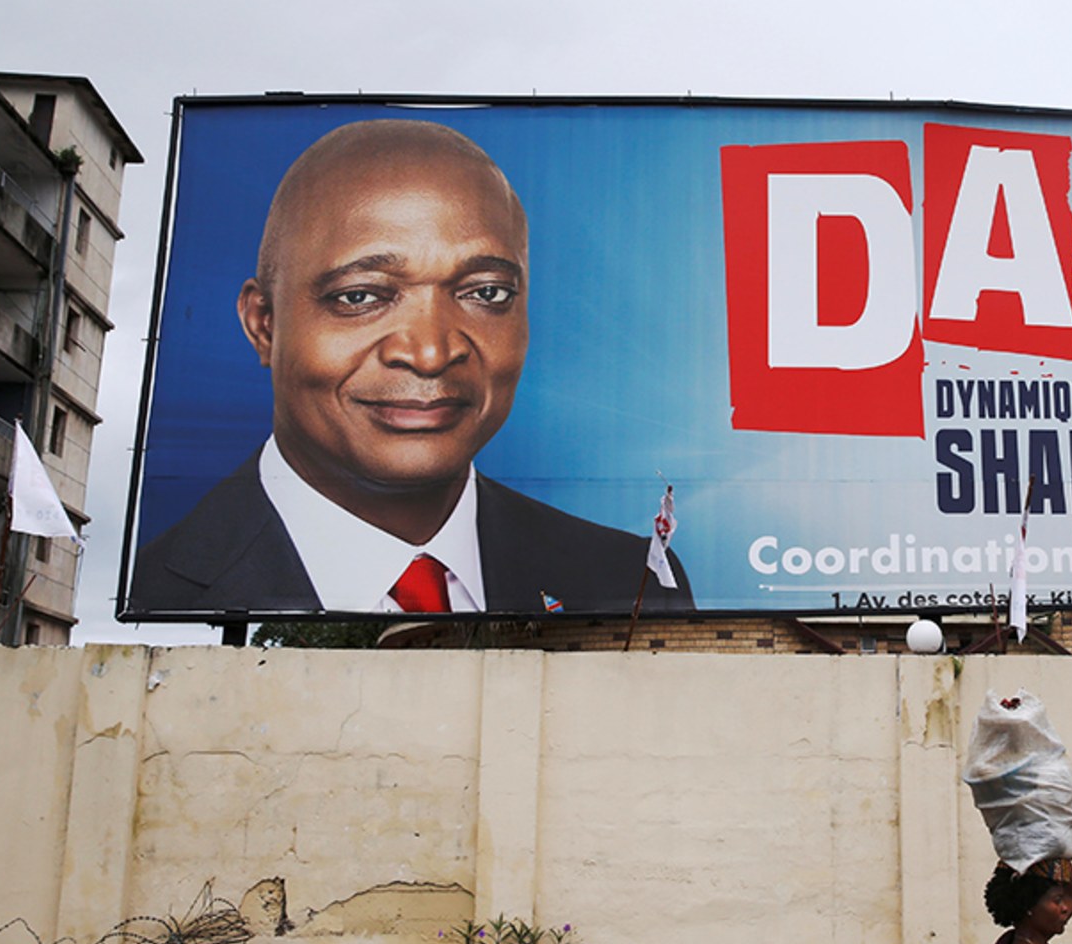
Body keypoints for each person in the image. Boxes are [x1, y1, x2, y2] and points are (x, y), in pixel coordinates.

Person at [129, 119, 694, 616]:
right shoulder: (159, 588)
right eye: (360, 297)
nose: (430, 352)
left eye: (487, 292)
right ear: (264, 325)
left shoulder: (633, 582)